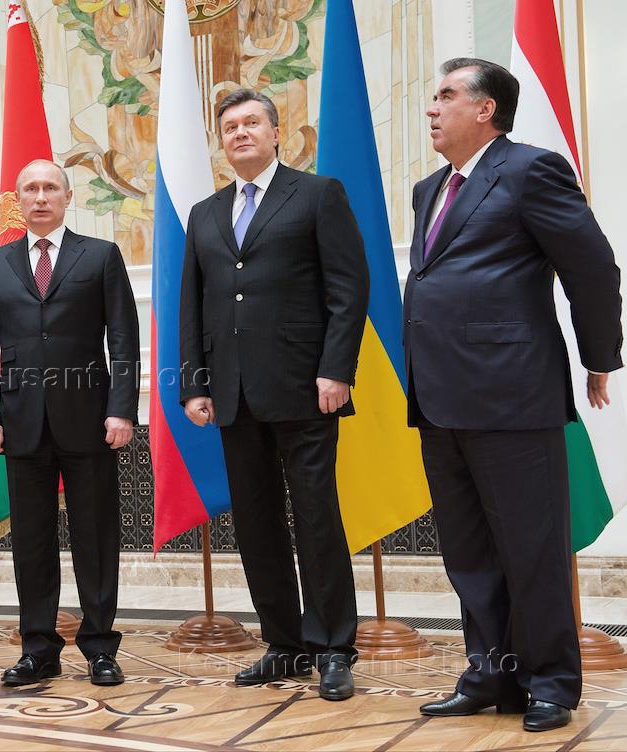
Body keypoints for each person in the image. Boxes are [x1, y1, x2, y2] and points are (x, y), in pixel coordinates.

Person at [408, 58, 623, 733]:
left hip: (511, 394)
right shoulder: (428, 189)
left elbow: (592, 267)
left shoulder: (531, 170)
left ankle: (551, 682)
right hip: (438, 398)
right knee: (469, 554)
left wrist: (598, 357)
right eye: (432, 96)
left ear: (486, 109)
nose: (432, 108)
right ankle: (491, 675)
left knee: (532, 550)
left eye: (446, 95)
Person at [179, 88, 369, 701]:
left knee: (316, 519)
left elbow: (348, 288)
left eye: (251, 123)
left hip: (305, 389)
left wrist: (336, 369)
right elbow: (194, 304)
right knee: (256, 524)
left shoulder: (317, 194)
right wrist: (194, 383)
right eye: (229, 126)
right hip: (232, 394)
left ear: (276, 131)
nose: (240, 133)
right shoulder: (205, 213)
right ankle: (284, 644)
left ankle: (333, 646)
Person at [0, 160, 140, 688]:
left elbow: (124, 340)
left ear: (68, 197)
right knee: (32, 543)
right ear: (18, 200)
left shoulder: (101, 256)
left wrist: (121, 408)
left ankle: (100, 647)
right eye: (31, 189)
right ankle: (38, 649)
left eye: (50, 188)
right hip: (21, 423)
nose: (41, 197)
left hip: (90, 421)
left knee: (96, 538)